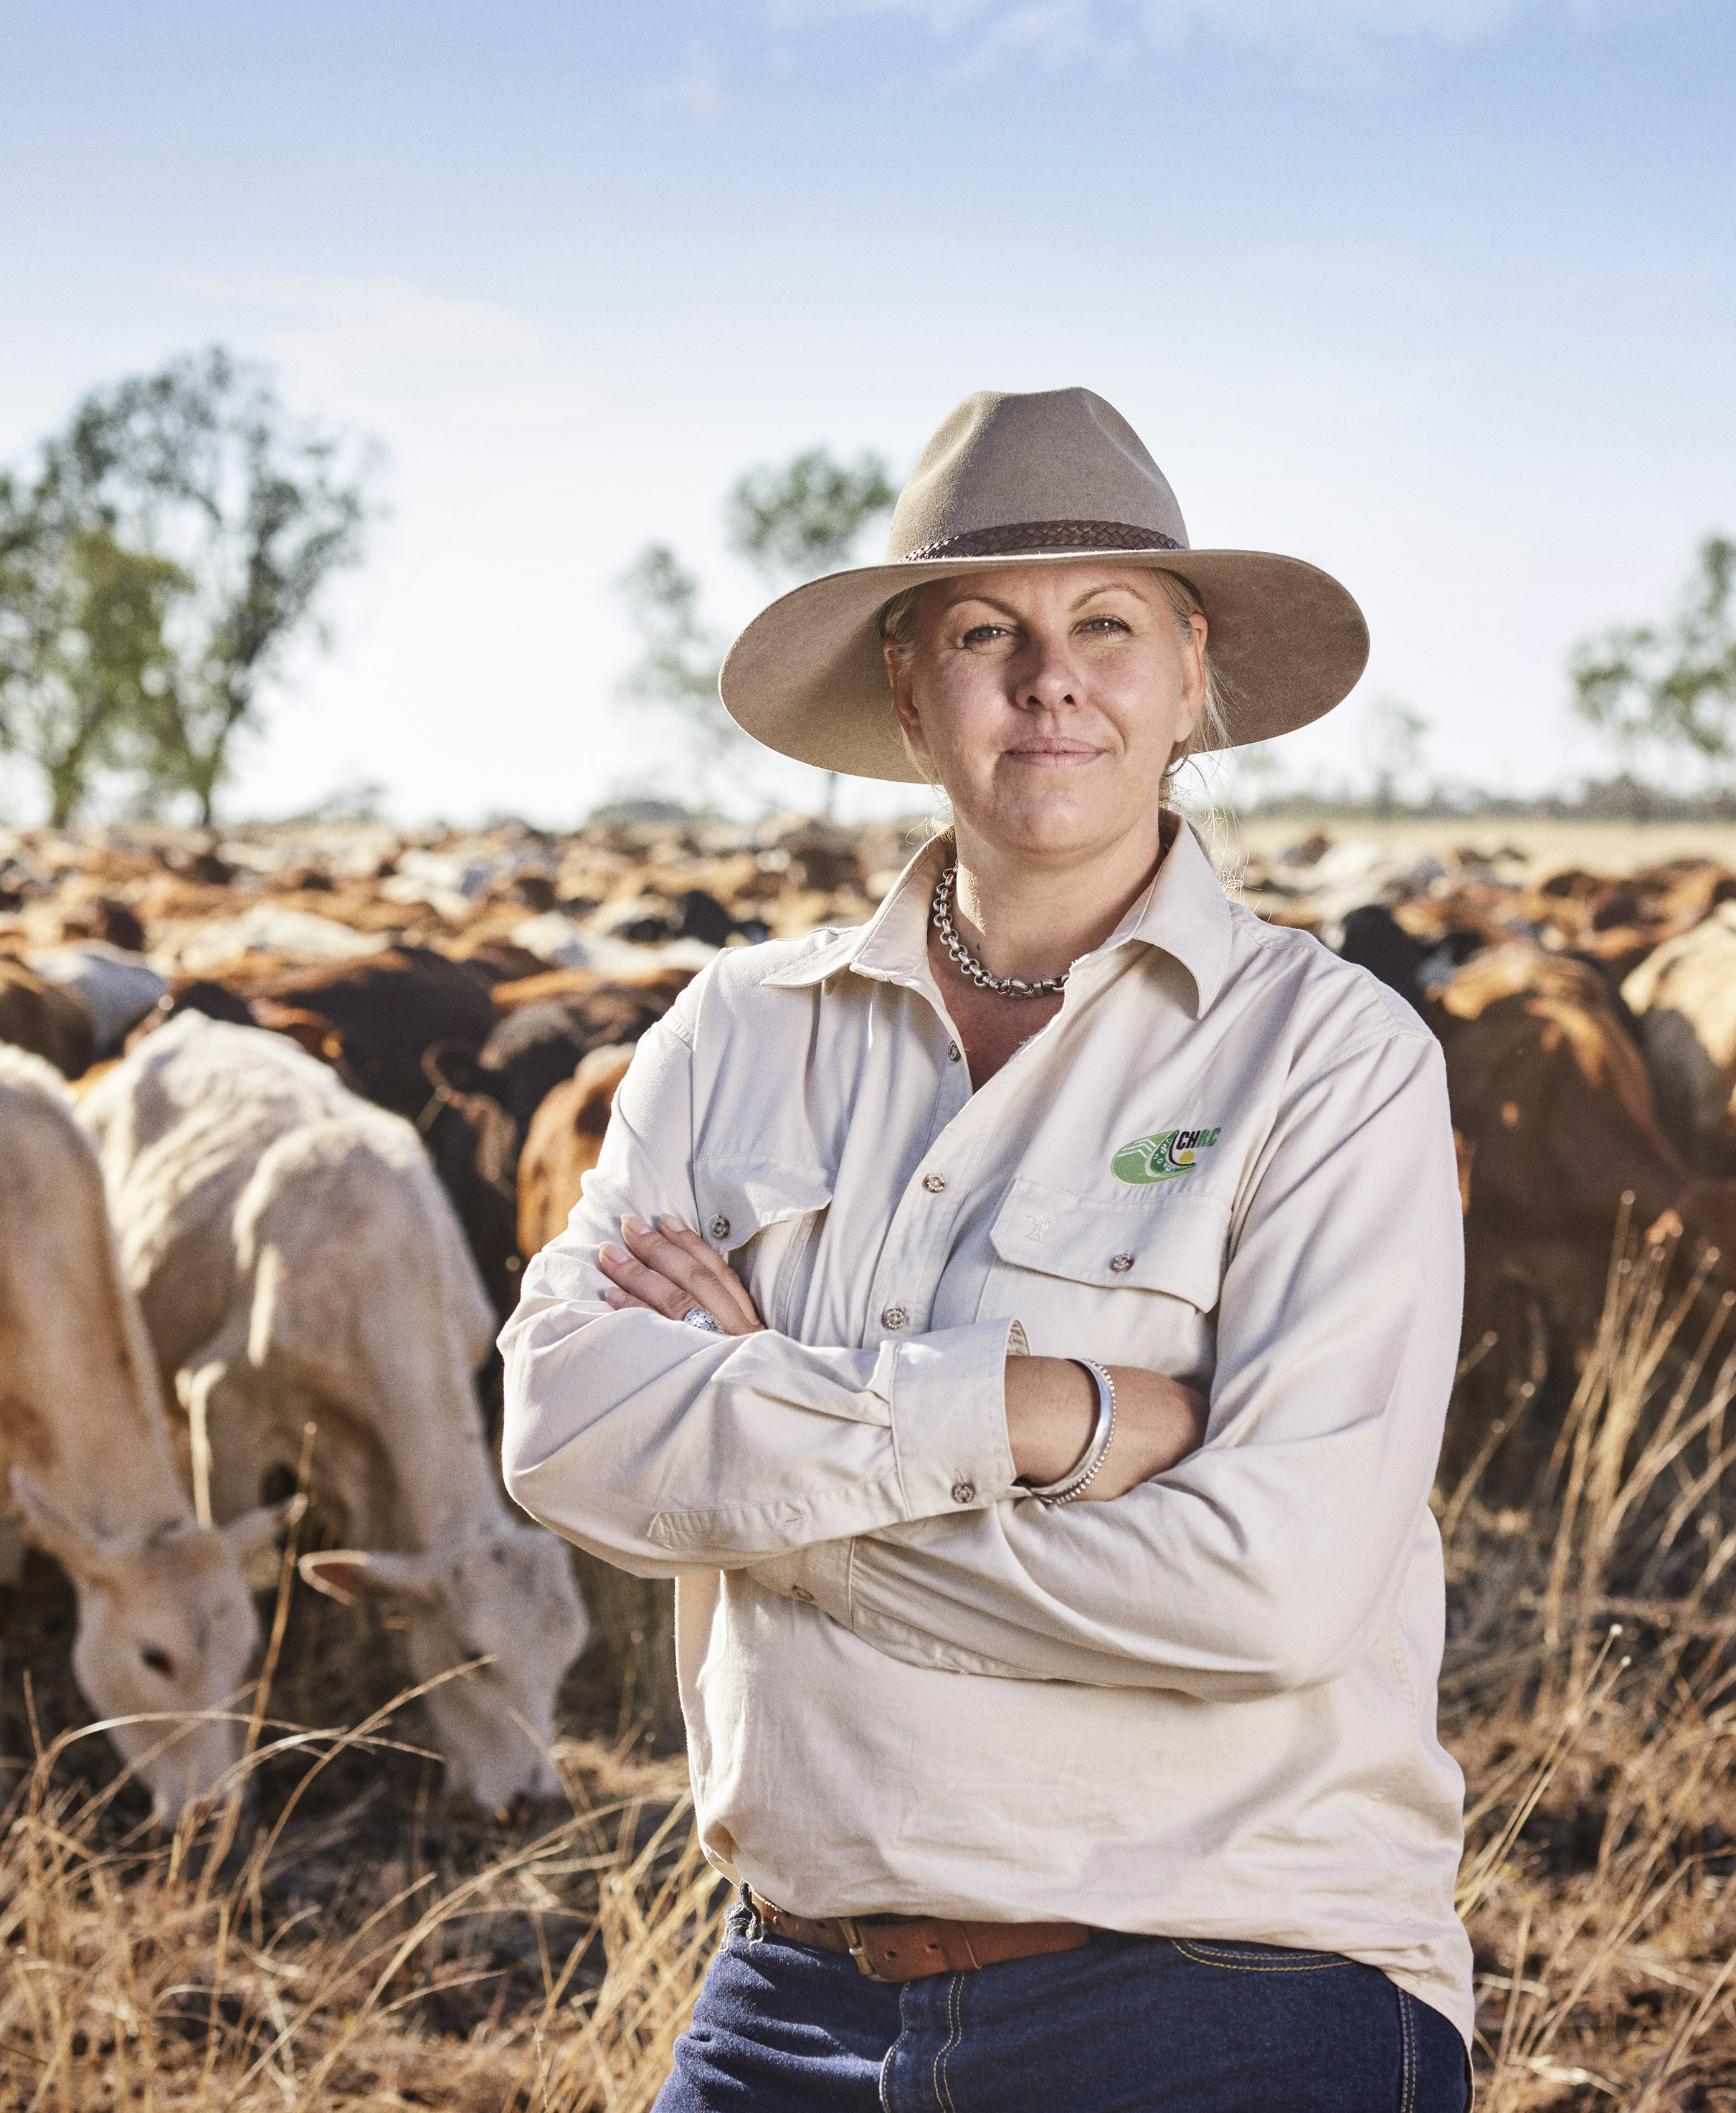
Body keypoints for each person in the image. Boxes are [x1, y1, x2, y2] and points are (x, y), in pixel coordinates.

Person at [502, 387, 1471, 2109]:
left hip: (1230, 1978)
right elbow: (564, 1433)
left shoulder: (1331, 1058)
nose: (1051, 679)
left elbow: (1276, 1586)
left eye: (1106, 622)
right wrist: (1038, 1420)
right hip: (792, 1989)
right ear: (905, 684)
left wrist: (757, 1488)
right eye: (983, 631)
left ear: (1189, 675)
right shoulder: (732, 1030)